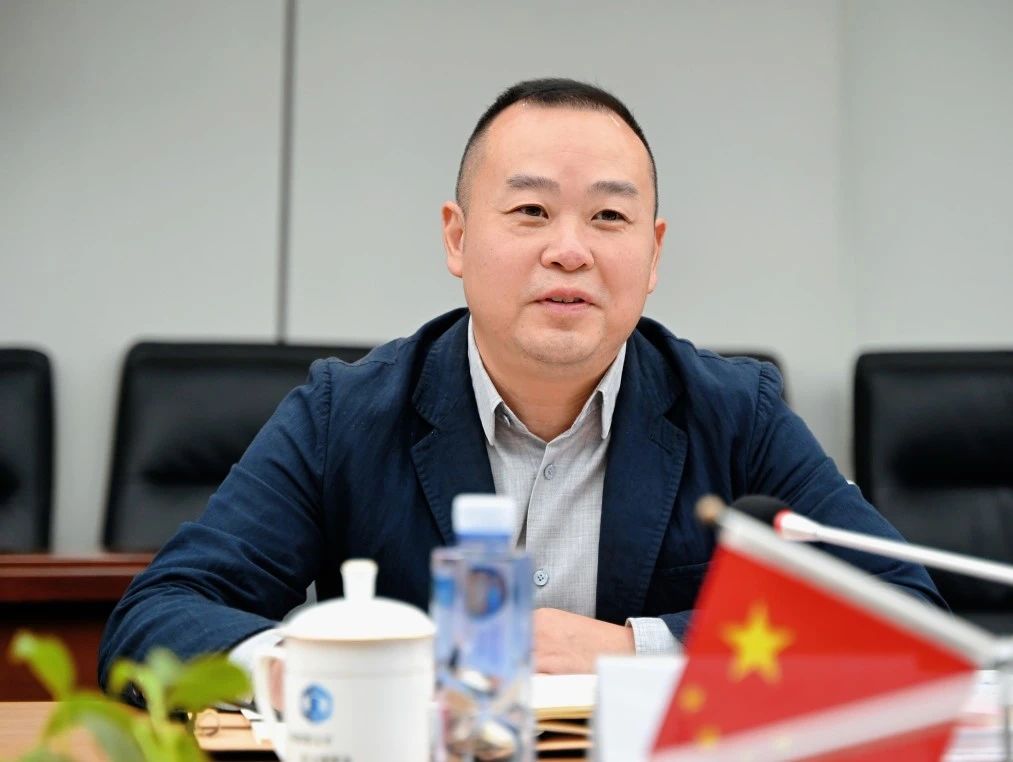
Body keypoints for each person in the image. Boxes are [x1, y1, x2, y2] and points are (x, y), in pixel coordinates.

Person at [98, 78, 942, 696]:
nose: (568, 250)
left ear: (652, 253)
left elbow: (904, 613)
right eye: (531, 212)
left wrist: (634, 652)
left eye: (607, 217)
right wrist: (320, 666)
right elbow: (159, 615)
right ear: (457, 238)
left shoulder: (734, 412)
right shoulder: (343, 414)